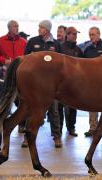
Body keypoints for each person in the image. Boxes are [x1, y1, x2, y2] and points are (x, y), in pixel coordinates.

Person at [25, 20, 61, 148]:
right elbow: (25, 60)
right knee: (31, 110)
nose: (39, 29)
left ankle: (57, 137)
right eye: (39, 27)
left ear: (47, 29)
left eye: (41, 27)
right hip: (35, 84)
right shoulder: (32, 41)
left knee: (54, 111)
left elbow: (63, 64)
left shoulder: (56, 44)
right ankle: (27, 137)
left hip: (52, 85)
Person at [83, 26, 102, 137]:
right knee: (92, 105)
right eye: (90, 35)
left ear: (99, 34)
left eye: (93, 34)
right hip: (91, 83)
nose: (91, 37)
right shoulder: (87, 49)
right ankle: (93, 128)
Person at [58, 26, 83, 139]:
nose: (75, 36)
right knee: (59, 107)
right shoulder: (60, 48)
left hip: (75, 83)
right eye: (73, 34)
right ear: (67, 35)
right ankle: (58, 129)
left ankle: (71, 128)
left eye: (76, 34)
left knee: (73, 107)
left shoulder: (78, 50)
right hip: (61, 83)